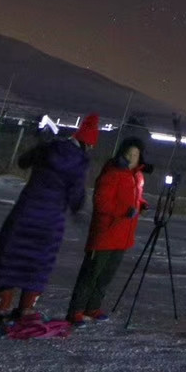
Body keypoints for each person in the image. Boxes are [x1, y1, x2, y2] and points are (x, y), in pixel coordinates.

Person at [0, 112, 97, 323]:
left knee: (11, 257)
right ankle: (26, 310)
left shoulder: (49, 148)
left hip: (25, 213)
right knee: (38, 264)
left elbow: (23, 162)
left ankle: (1, 307)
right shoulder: (79, 163)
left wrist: (41, 147)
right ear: (87, 144)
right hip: (50, 221)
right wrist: (79, 210)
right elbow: (76, 195)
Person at [65, 136, 150, 325]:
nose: (130, 158)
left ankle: (93, 307)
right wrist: (124, 211)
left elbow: (134, 198)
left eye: (134, 155)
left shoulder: (137, 176)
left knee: (105, 276)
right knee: (91, 274)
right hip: (106, 233)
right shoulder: (112, 173)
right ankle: (76, 310)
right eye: (128, 154)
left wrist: (141, 205)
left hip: (123, 236)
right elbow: (102, 201)